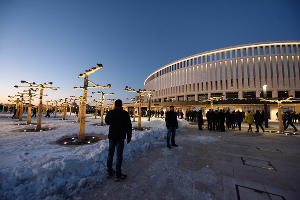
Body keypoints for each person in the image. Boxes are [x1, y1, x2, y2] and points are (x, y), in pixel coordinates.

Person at [105, 99, 132, 181]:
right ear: (121, 105)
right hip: (120, 137)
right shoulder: (125, 114)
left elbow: (107, 121)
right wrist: (129, 136)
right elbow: (128, 126)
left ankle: (109, 171)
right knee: (119, 155)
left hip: (112, 136)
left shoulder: (110, 112)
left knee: (110, 154)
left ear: (115, 105)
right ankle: (118, 174)